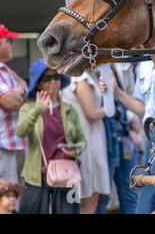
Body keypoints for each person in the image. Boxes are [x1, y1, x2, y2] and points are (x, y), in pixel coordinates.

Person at [100, 61, 155, 214]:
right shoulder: (143, 65)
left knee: (151, 201)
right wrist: (116, 91)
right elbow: (143, 109)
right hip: (151, 138)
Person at [16, 58, 85, 214]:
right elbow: (20, 132)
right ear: (39, 82)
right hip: (36, 177)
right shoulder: (28, 108)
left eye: (57, 77)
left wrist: (76, 150)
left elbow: (81, 140)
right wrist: (38, 109)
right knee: (29, 210)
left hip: (68, 175)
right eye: (48, 78)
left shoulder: (69, 109)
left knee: (71, 211)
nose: (54, 81)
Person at [61, 70, 110, 214]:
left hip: (86, 140)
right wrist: (111, 106)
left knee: (83, 202)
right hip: (87, 143)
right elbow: (92, 113)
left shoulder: (79, 75)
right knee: (87, 204)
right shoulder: (79, 77)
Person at [0, 24, 27, 185]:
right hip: (2, 147)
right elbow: (10, 102)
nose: (13, 44)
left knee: (12, 199)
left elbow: (24, 85)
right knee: (6, 199)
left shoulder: (5, 69)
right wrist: (19, 93)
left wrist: (19, 92)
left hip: (9, 145)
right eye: (8, 40)